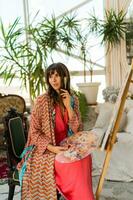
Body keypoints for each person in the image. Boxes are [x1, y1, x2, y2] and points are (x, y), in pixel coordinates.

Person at [17, 62, 94, 200]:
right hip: (45, 148)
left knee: (85, 157)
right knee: (72, 164)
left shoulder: (73, 100)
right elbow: (34, 132)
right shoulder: (41, 101)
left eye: (57, 75)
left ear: (65, 77)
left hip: (67, 144)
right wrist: (52, 148)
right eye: (50, 76)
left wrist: (68, 107)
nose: (53, 79)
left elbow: (78, 129)